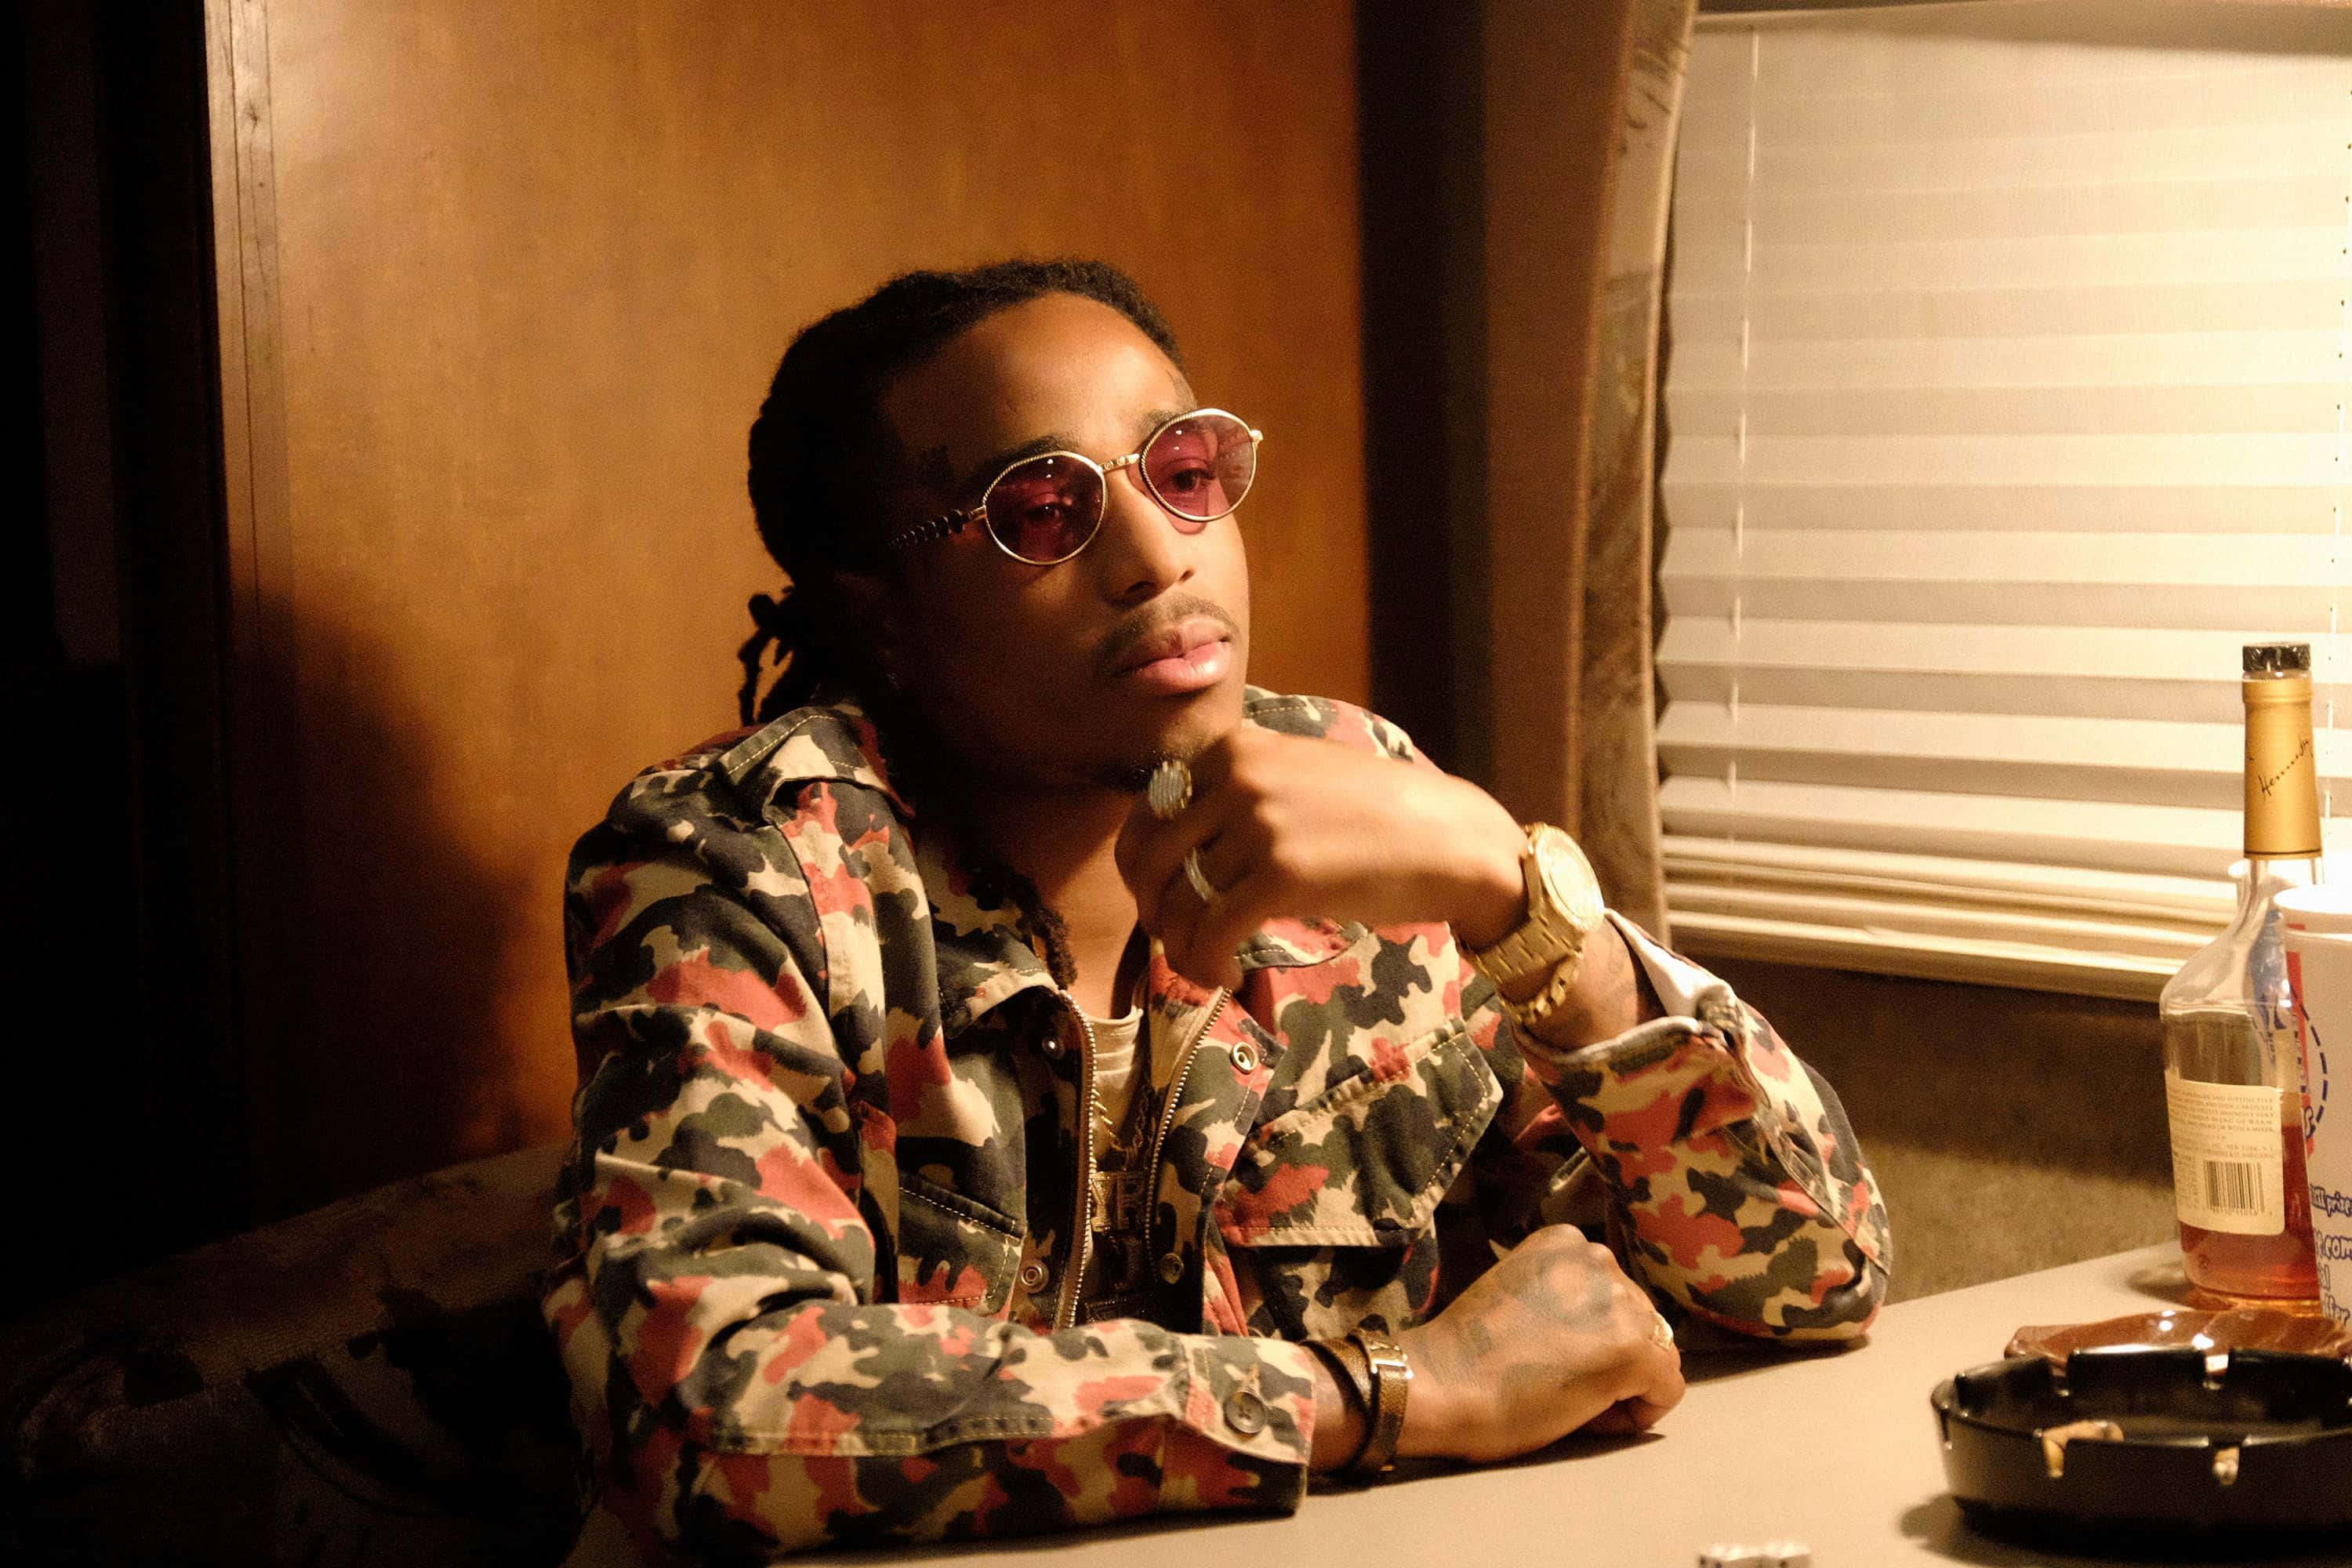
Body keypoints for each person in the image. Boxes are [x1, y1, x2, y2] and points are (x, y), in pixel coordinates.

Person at [543, 259, 1889, 1559]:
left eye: (1183, 474)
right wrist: (1391, 1394)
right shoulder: (739, 868)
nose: (1155, 556)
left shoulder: (1364, 808)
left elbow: (1815, 1279)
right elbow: (707, 1404)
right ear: (883, 618)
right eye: (1043, 512)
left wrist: (1522, 897)